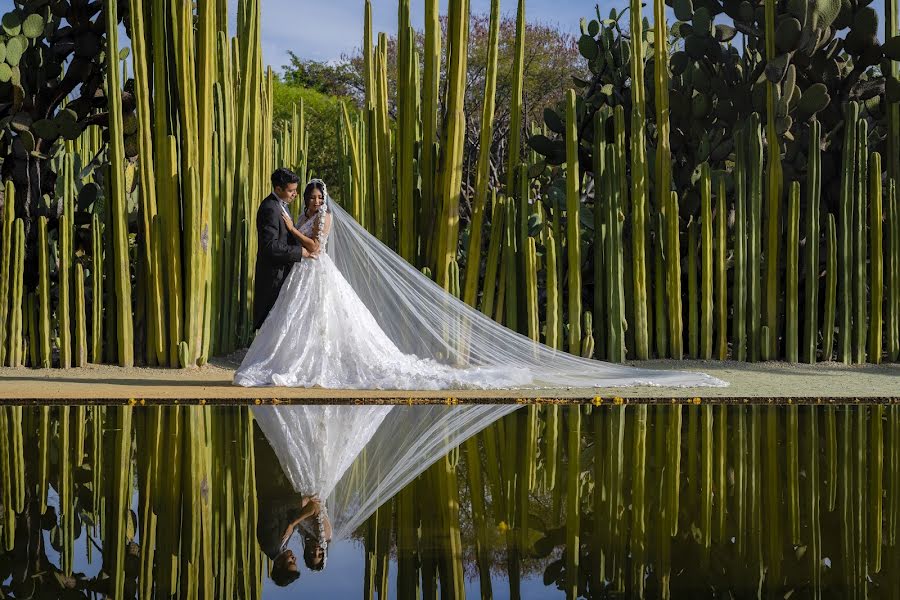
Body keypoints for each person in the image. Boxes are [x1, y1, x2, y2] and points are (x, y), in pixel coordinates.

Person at [234, 177, 729, 390]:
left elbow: (316, 248)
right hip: (306, 278)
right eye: (309, 196)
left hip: (317, 272)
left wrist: (297, 228)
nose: (313, 201)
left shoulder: (315, 221)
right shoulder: (293, 210)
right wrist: (294, 225)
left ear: (325, 200)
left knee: (344, 333)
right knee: (312, 331)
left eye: (316, 196)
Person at [252, 168, 319, 331]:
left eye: (296, 190)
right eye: (291, 191)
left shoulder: (281, 205)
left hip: (284, 272)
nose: (295, 194)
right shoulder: (270, 208)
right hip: (273, 275)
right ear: (278, 189)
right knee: (271, 323)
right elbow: (269, 246)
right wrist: (300, 252)